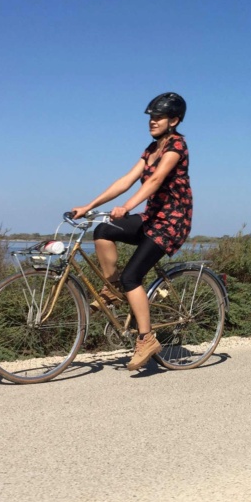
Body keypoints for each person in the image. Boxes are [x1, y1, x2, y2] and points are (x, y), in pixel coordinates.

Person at [70, 92, 192, 370]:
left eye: (158, 117)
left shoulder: (177, 146)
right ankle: (110, 288)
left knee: (132, 277)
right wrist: (89, 205)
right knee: (103, 230)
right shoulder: (151, 149)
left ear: (174, 120)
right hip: (152, 217)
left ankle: (146, 339)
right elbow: (126, 180)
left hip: (172, 221)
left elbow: (157, 180)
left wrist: (126, 207)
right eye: (151, 116)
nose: (153, 121)